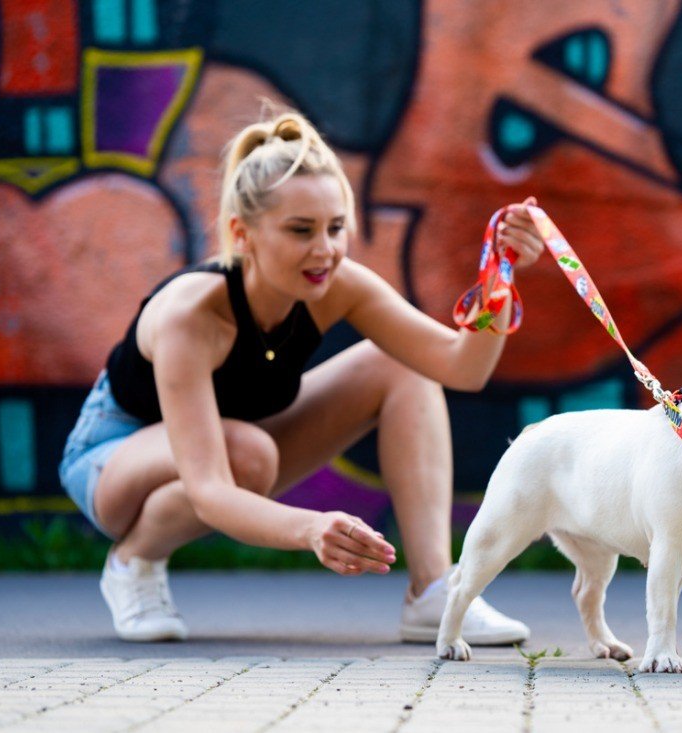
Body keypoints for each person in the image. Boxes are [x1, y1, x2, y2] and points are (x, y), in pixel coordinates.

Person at [57, 111, 546, 643]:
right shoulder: (191, 316)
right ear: (242, 234)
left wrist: (499, 274)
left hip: (235, 449)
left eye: (335, 228)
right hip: (110, 460)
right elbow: (210, 489)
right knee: (248, 453)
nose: (325, 250)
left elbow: (463, 367)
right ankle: (133, 561)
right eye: (300, 230)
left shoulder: (338, 283)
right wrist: (309, 527)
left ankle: (434, 593)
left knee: (402, 368)